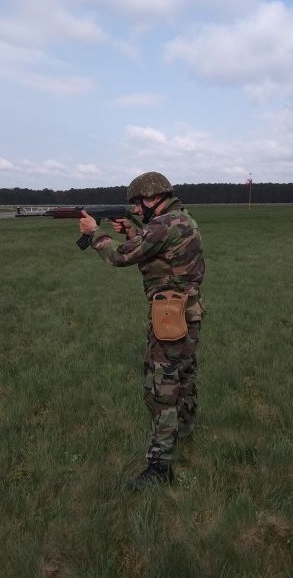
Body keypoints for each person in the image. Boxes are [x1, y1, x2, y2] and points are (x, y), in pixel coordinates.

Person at [79, 171, 205, 489]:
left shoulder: (163, 224)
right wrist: (134, 231)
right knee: (183, 377)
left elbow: (121, 256)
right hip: (187, 312)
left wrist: (94, 234)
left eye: (138, 203)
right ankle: (185, 432)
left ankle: (160, 468)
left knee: (162, 390)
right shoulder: (181, 218)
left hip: (169, 317)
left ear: (153, 198)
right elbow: (158, 253)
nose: (136, 209)